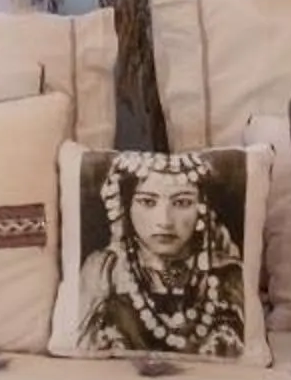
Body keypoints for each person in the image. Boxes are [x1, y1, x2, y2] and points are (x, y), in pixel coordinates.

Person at [74, 151, 247, 358]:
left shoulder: (227, 275)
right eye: (147, 202)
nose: (164, 220)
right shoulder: (105, 272)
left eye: (182, 203)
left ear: (201, 208)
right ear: (126, 206)